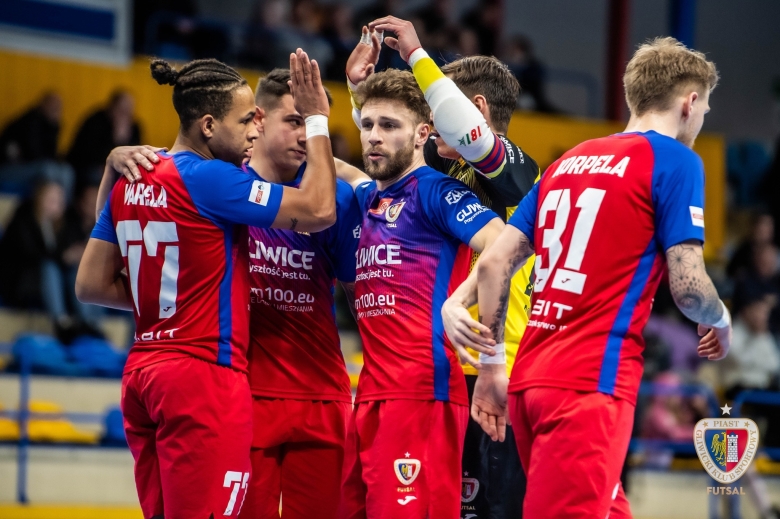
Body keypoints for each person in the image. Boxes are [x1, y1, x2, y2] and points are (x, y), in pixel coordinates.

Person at [444, 37, 732, 518]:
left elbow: (494, 263)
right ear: (690, 102)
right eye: (705, 108)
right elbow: (688, 289)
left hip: (529, 383)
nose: (702, 119)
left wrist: (481, 347)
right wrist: (719, 318)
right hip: (589, 385)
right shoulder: (675, 160)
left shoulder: (567, 161)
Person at [75, 52, 337, 518]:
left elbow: (91, 285)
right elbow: (318, 210)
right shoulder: (213, 178)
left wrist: (110, 172)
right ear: (209, 125)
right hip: (203, 378)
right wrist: (317, 119)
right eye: (246, 120)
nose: (255, 130)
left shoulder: (131, 176)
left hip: (143, 373)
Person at [349, 18, 540, 517]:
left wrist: (417, 55)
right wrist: (359, 91)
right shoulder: (443, 168)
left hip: (504, 373)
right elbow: (393, 144)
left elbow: (467, 135)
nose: (431, 125)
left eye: (437, 108)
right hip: (456, 372)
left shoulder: (518, 170)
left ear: (474, 108)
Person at [337, 68, 504, 519]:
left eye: (389, 125)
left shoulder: (436, 191)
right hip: (370, 395)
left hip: (422, 395)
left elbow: (500, 242)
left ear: (421, 135)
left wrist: (460, 300)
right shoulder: (368, 196)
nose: (374, 136)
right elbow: (338, 168)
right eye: (367, 125)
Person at [236, 69, 361, 519]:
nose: (305, 136)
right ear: (259, 118)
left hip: (322, 396)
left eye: (313, 124)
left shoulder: (336, 200)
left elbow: (360, 298)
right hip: (245, 394)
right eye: (294, 121)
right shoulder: (224, 188)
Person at [0, 93, 75, 200]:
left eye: (58, 108)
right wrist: (53, 127)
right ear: (42, 104)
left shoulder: (49, 125)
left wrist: (54, 126)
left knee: (67, 171)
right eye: (53, 106)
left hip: (31, 166)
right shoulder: (29, 121)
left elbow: (51, 154)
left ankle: (62, 208)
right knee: (47, 170)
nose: (55, 110)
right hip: (9, 168)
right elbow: (34, 155)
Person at [67, 90, 142, 187]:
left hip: (117, 171)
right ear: (112, 107)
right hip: (85, 168)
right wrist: (116, 139)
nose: (124, 114)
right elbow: (87, 155)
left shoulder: (134, 127)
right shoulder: (96, 121)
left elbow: (136, 156)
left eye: (128, 111)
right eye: (121, 109)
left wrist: (123, 139)